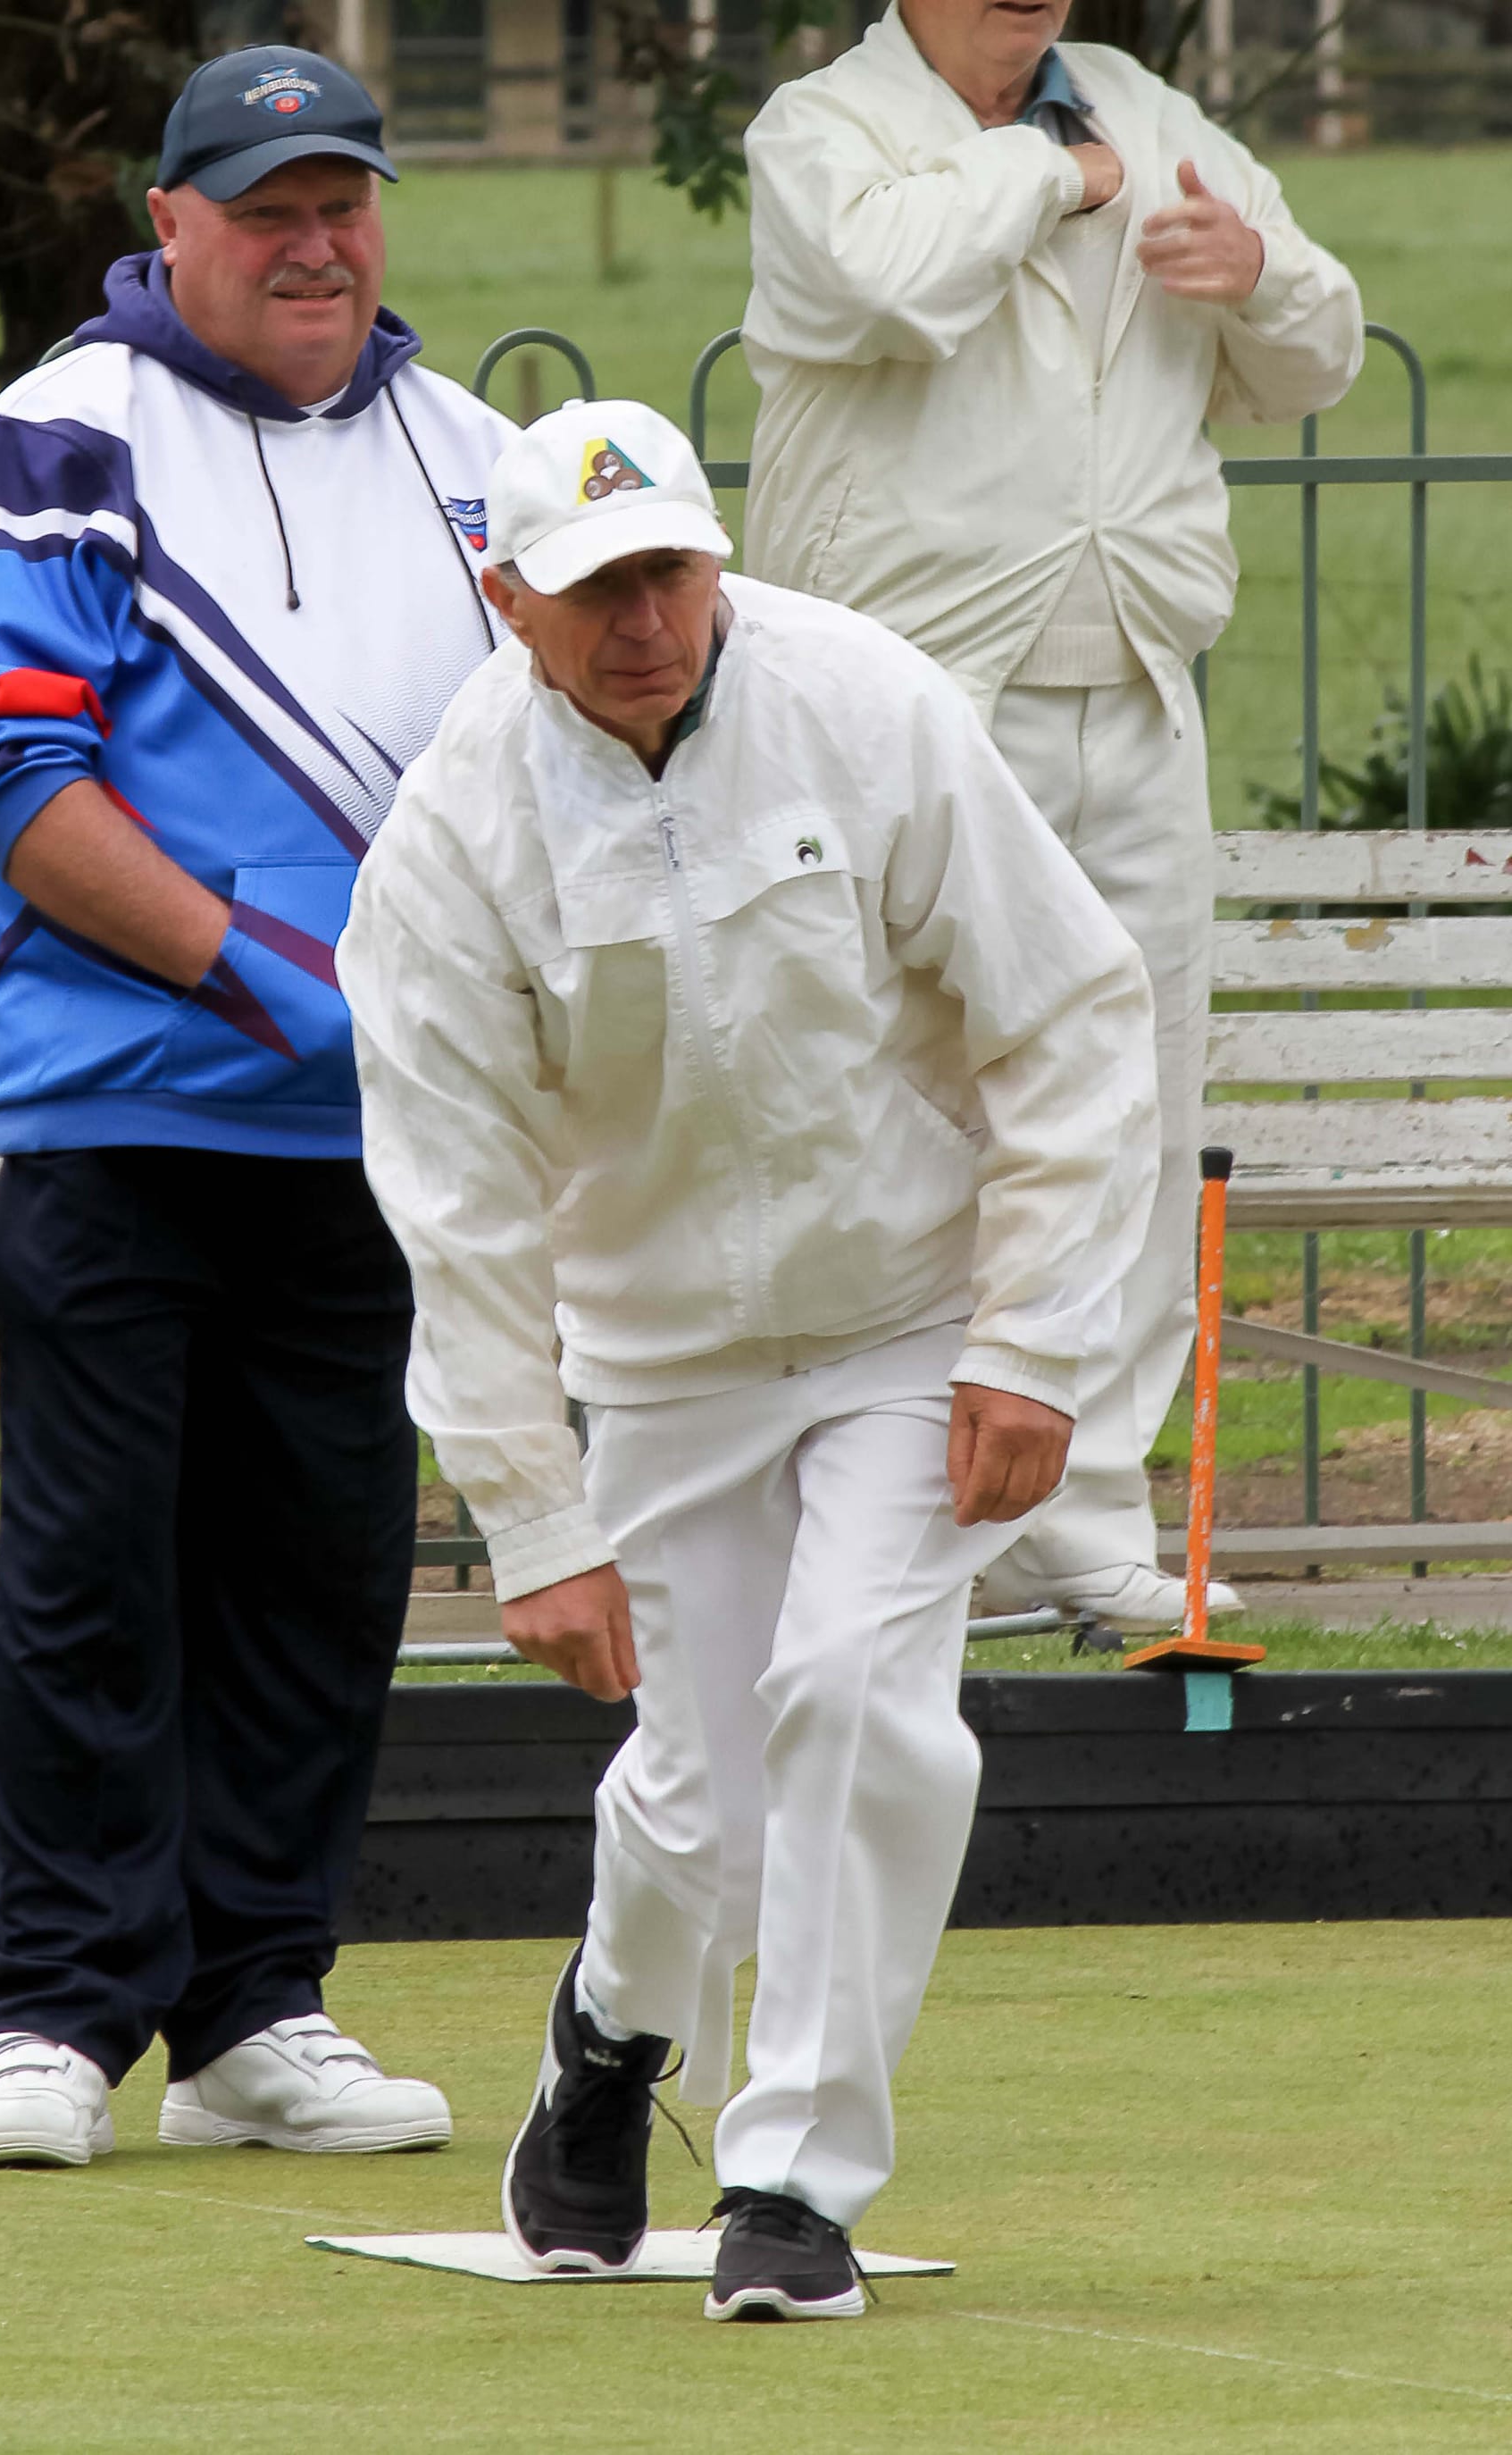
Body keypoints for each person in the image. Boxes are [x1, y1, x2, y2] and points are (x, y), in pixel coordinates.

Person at [336, 399, 1158, 2320]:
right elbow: (452, 1207)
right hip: (657, 1351)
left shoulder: (864, 702)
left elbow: (1070, 1013)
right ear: (504, 600)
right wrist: (527, 1517)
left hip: (910, 1316)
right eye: (593, 586)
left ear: (716, 555)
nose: (643, 618)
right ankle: (613, 2036)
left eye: (669, 569)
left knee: (860, 1704)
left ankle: (789, 2179)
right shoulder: (452, 834)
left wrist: (1035, 1342)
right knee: (695, 1788)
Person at [0, 46, 514, 2169]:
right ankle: (52, 2009)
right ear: (174, 226)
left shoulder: (482, 458)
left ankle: (258, 2004)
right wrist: (273, 984)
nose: (315, 241)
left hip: (382, 1139)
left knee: (322, 1579)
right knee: (93, 1573)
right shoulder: (61, 429)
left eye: (343, 199)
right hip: (123, 1117)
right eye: (266, 207)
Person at [740, 0, 1365, 1632]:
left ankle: (1075, 1520)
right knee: (910, 1110)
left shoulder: (1156, 116)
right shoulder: (822, 133)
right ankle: (884, 1502)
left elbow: (1319, 354)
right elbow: (886, 283)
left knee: (1132, 1109)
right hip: (914, 699)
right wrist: (1057, 181)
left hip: (1140, 685)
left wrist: (1263, 278)